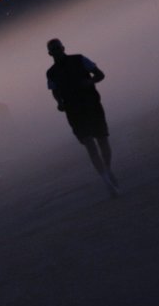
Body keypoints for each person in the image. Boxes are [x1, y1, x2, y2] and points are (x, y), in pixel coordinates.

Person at [45, 38, 119, 197]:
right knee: (90, 145)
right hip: (74, 111)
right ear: (50, 53)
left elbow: (100, 74)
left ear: (63, 48)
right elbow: (55, 91)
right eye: (54, 49)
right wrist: (59, 103)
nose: (57, 51)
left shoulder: (79, 59)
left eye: (58, 48)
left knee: (102, 140)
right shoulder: (51, 73)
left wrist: (90, 81)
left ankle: (107, 169)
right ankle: (106, 179)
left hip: (92, 104)